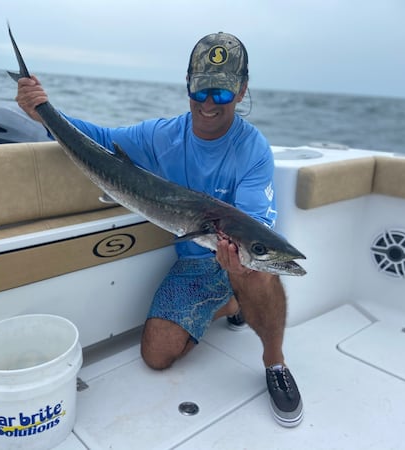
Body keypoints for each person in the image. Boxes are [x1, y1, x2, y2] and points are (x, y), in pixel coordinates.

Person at [16, 32, 303, 428]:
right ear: (187, 85)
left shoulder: (252, 150)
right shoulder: (161, 135)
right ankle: (230, 306)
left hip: (237, 256)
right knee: (156, 356)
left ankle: (274, 363)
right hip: (194, 263)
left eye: (220, 94)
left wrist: (243, 261)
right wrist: (43, 112)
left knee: (256, 269)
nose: (207, 103)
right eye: (199, 90)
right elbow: (98, 141)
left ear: (241, 91)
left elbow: (253, 228)